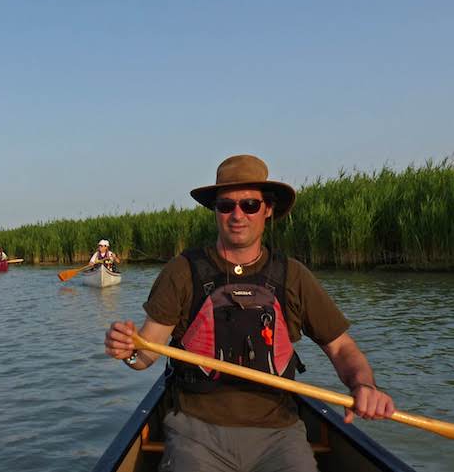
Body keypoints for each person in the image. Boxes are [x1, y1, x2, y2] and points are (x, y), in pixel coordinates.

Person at [104, 154, 395, 472]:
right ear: (215, 211)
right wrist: (128, 351)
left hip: (279, 434)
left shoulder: (292, 276)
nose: (237, 215)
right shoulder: (182, 271)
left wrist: (364, 387)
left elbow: (342, 348)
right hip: (196, 433)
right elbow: (145, 355)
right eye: (226, 205)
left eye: (250, 205)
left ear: (268, 209)